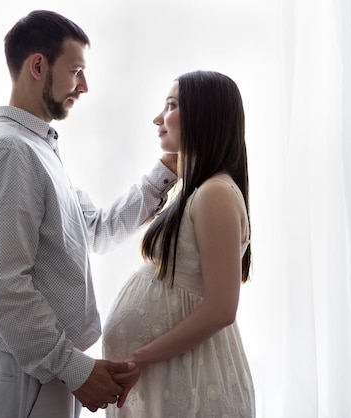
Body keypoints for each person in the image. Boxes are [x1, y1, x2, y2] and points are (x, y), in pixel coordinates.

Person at [0, 10, 177, 418]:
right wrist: (76, 369)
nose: (84, 86)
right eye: (76, 70)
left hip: (47, 371)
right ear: (38, 65)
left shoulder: (39, 148)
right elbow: (8, 288)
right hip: (30, 375)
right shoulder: (11, 152)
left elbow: (96, 229)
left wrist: (165, 171)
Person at [102, 70, 255, 417]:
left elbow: (221, 309)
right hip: (173, 372)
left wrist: (141, 356)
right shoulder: (198, 190)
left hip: (191, 372)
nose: (158, 118)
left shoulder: (215, 193)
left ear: (204, 115)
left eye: (171, 105)